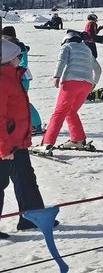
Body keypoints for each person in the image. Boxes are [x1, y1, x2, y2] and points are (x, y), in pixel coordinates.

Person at [0, 40, 47, 235]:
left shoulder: (13, 77)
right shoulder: (2, 81)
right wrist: (3, 147)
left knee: (26, 179)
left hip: (17, 141)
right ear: (8, 59)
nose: (21, 59)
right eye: (18, 56)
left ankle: (32, 219)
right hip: (6, 144)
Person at [35, 31, 102, 153]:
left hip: (71, 82)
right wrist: (94, 83)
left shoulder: (67, 46)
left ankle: (46, 143)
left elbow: (62, 61)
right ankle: (78, 140)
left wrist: (57, 76)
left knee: (59, 112)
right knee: (71, 111)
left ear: (66, 40)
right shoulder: (87, 49)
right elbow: (98, 68)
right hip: (86, 84)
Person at [1, 27, 42, 134]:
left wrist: (17, 71)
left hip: (22, 77)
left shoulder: (18, 46)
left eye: (6, 37)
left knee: (23, 102)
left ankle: (36, 125)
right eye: (3, 37)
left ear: (12, 36)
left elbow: (24, 63)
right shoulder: (8, 47)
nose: (4, 39)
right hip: (13, 77)